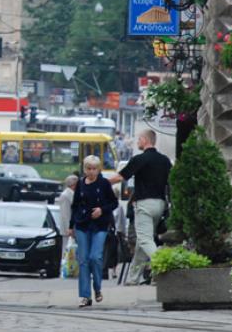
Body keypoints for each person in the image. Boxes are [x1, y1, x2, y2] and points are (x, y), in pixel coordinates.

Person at [109, 128, 172, 285]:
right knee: (142, 242)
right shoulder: (165, 160)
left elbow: (120, 177)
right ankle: (133, 278)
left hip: (144, 203)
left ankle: (165, 264)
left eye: (138, 139)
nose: (137, 142)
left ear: (145, 140)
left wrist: (100, 181)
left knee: (144, 240)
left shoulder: (139, 159)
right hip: (160, 204)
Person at [68, 155, 118, 307]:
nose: (91, 172)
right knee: (83, 260)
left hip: (100, 225)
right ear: (84, 169)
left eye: (94, 169)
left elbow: (114, 202)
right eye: (88, 168)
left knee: (95, 257)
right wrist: (71, 226)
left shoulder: (103, 184)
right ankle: (84, 296)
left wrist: (102, 210)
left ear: (99, 169)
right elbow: (75, 205)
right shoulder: (80, 184)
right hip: (82, 224)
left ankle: (97, 287)